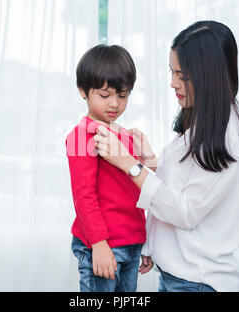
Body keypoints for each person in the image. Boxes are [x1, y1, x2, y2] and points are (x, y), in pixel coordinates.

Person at [93, 21, 239, 292]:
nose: (173, 83)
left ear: (208, 76)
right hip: (180, 278)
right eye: (172, 72)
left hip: (197, 283)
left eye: (183, 76)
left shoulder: (227, 136)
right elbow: (188, 182)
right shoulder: (206, 118)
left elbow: (185, 211)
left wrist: (130, 165)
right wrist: (151, 160)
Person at [66, 44, 146, 292]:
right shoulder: (81, 136)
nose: (115, 103)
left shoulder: (127, 135)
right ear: (83, 90)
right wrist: (98, 244)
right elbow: (83, 196)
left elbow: (138, 190)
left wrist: (145, 242)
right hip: (101, 245)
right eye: (105, 95)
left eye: (122, 95)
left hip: (131, 242)